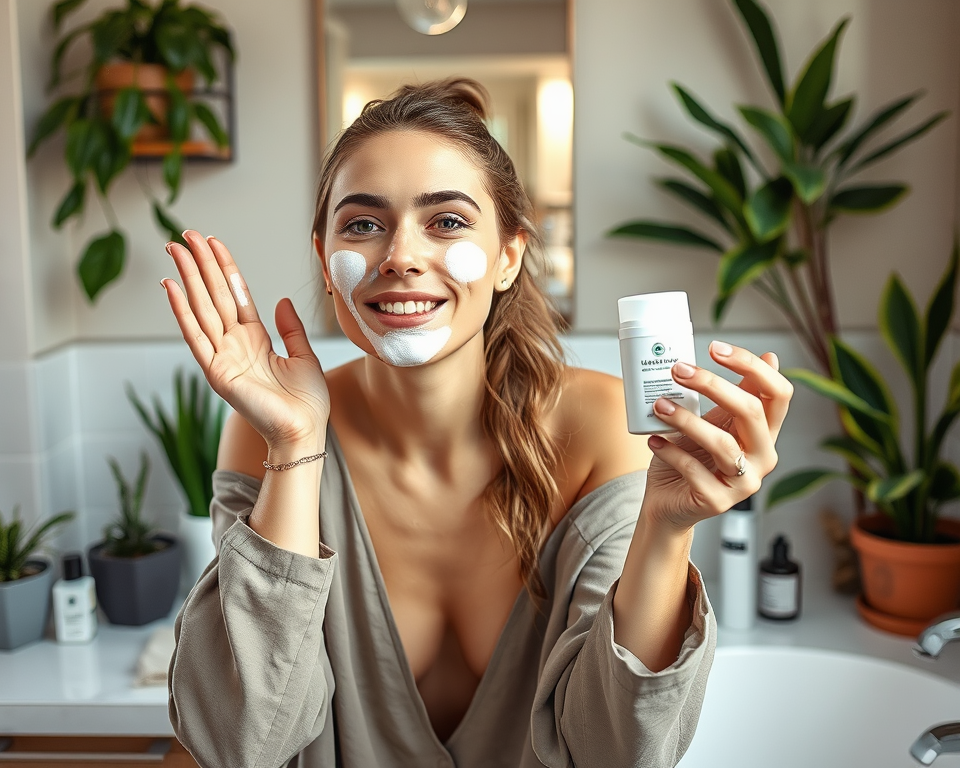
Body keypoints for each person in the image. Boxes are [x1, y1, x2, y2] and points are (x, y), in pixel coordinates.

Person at [164, 79, 792, 768]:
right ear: (324, 256)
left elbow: (615, 752)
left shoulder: (604, 426)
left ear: (508, 257)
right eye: (363, 224)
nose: (400, 255)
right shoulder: (272, 431)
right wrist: (293, 446)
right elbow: (242, 744)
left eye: (448, 221)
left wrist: (667, 526)